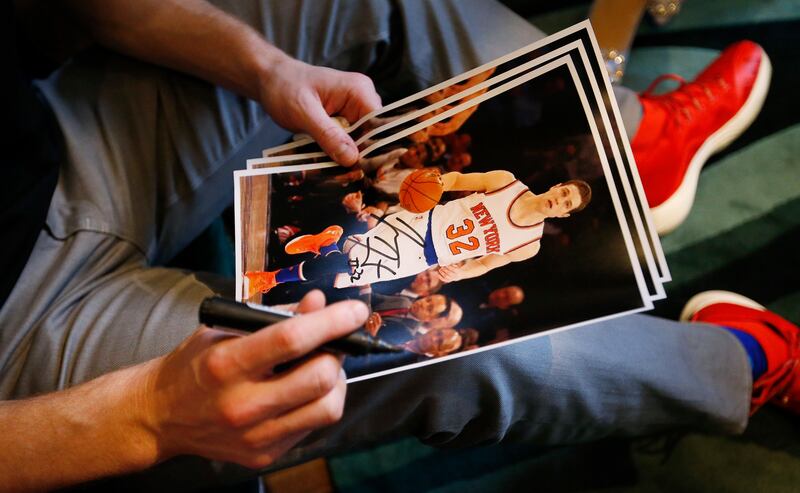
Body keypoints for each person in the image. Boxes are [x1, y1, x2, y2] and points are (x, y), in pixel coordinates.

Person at [4, 0, 790, 490]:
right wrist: (150, 415)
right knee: (461, 348)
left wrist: (267, 68)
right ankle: (736, 367)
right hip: (23, 344)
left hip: (59, 136)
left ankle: (628, 150)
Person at [243, 174, 592, 296]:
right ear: (557, 186)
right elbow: (454, 179)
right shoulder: (505, 182)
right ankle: (271, 278)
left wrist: (460, 272)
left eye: (565, 204)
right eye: (563, 192)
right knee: (347, 267)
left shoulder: (528, 246)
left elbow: (485, 265)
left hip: (426, 258)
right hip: (419, 223)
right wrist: (432, 185)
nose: (558, 200)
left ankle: (327, 242)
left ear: (563, 214)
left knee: (346, 271)